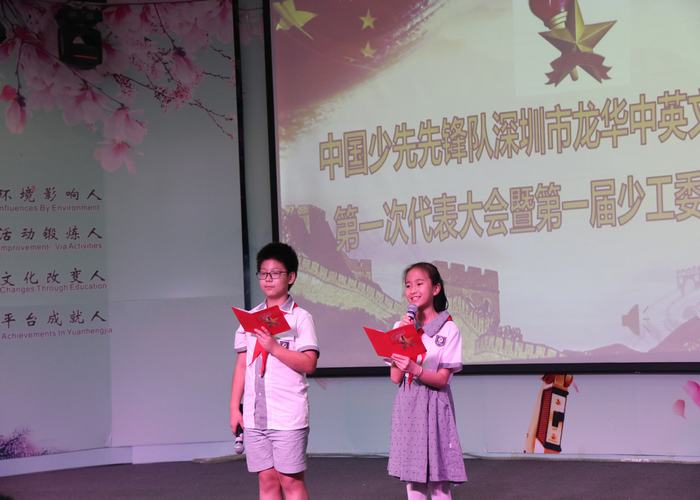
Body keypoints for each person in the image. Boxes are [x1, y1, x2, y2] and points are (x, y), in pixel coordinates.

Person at [230, 242, 319, 500]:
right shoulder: (249, 318)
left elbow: (309, 363)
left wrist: (274, 347)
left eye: (276, 273)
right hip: (255, 417)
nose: (268, 279)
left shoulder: (299, 317)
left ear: (291, 277)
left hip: (288, 416)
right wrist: (235, 408)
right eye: (263, 273)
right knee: (267, 480)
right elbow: (241, 366)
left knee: (290, 481)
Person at [388, 262, 467, 499]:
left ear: (436, 288)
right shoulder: (401, 327)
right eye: (408, 285)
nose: (412, 290)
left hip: (435, 405)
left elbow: (442, 379)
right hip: (408, 405)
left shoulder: (449, 329)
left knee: (439, 481)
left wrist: (416, 369)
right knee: (413, 480)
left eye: (419, 284)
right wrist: (402, 338)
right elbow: (395, 377)